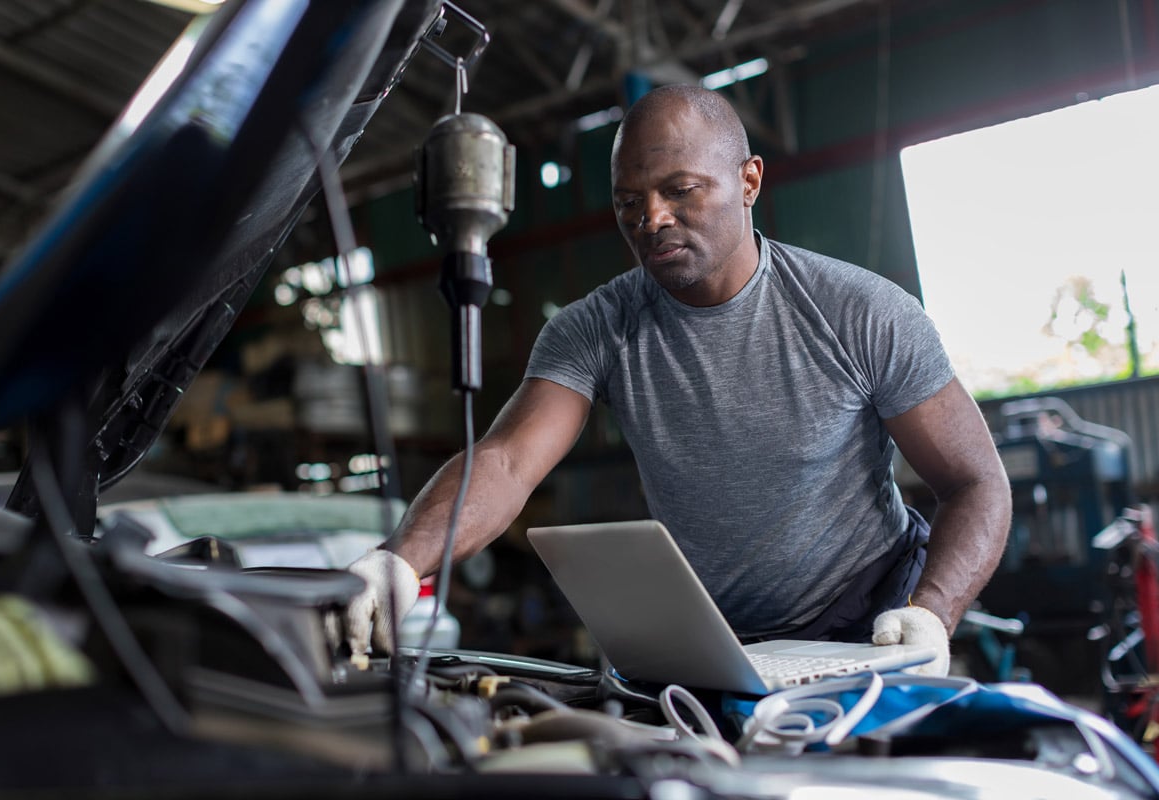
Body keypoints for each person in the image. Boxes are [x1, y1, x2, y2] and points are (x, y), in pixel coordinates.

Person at [345, 84, 1011, 677]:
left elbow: (975, 482)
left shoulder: (859, 312)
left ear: (749, 181)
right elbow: (509, 462)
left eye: (680, 190)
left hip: (875, 621)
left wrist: (933, 615)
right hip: (714, 641)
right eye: (628, 201)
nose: (651, 218)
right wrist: (399, 562)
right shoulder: (596, 329)